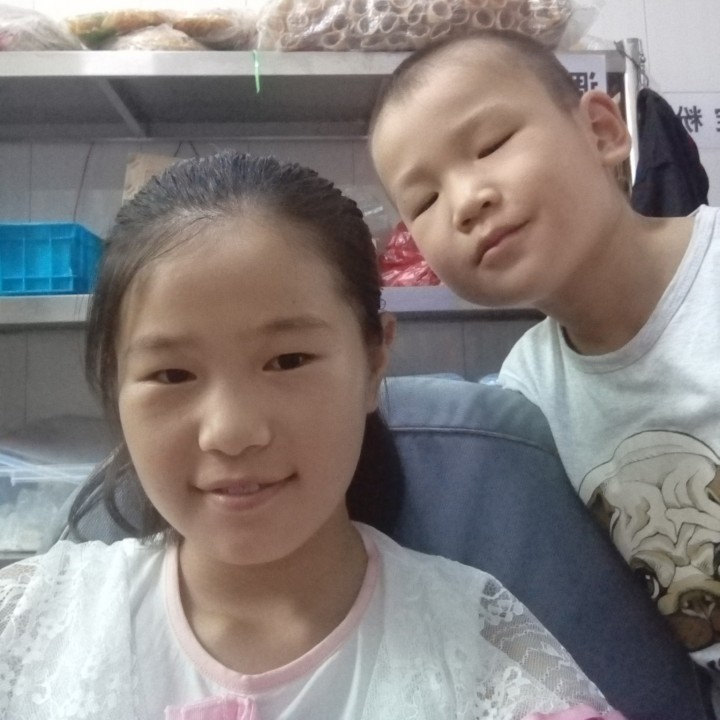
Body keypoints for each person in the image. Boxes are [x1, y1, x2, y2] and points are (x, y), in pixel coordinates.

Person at [0, 151, 624, 720]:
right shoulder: (28, 625)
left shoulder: (483, 654)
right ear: (114, 381)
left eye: (288, 361)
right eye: (172, 374)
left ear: (374, 361)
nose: (232, 433)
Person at [369, 26, 720, 690]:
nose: (466, 202)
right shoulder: (526, 395)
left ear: (602, 132)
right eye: (424, 200)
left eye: (491, 145)